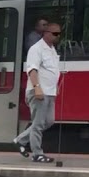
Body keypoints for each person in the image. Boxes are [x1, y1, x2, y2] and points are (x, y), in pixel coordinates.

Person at [13, 21, 61, 163]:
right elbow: (32, 70)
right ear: (46, 33)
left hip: (50, 91)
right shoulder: (36, 49)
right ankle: (37, 154)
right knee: (38, 123)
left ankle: (20, 140)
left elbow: (52, 70)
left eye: (59, 34)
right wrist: (37, 87)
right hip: (39, 91)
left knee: (49, 121)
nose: (57, 36)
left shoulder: (52, 49)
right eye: (55, 33)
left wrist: (55, 86)